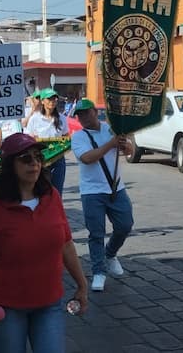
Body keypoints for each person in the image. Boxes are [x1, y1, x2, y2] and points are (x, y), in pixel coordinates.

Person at [0, 133, 89, 352]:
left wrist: (82, 285)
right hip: (7, 306)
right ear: (10, 165)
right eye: (26, 158)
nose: (34, 163)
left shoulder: (52, 196)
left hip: (48, 302)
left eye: (38, 157)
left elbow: (66, 244)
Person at [69, 98, 134, 293]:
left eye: (87, 112)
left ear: (95, 112)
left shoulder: (110, 129)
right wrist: (110, 144)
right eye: (80, 115)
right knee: (96, 233)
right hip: (91, 192)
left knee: (125, 225)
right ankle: (99, 271)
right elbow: (87, 158)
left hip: (116, 188)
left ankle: (110, 253)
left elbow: (129, 150)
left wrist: (123, 145)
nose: (84, 117)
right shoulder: (78, 137)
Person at [24, 88, 70, 195]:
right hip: (41, 159)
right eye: (49, 99)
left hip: (58, 158)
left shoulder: (62, 119)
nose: (52, 101)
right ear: (43, 101)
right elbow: (30, 139)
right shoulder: (35, 119)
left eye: (54, 99)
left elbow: (66, 136)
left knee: (57, 192)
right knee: (40, 191)